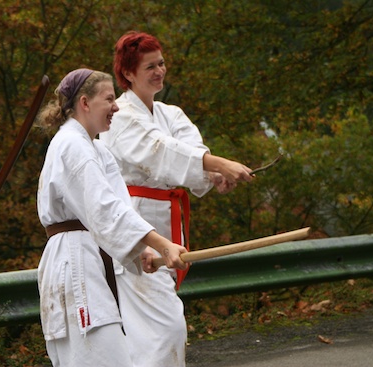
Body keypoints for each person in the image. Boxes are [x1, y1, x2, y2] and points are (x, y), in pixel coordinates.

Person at [99, 31, 254, 367]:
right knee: (165, 328)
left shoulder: (171, 114)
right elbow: (161, 151)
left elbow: (190, 154)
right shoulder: (121, 115)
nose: (160, 71)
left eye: (162, 63)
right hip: (136, 233)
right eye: (150, 66)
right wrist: (218, 164)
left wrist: (215, 177)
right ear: (127, 73)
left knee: (151, 333)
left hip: (169, 229)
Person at [36, 68, 188, 367]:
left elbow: (121, 208)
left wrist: (142, 250)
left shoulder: (96, 149)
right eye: (109, 99)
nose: (116, 106)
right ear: (85, 103)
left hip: (93, 258)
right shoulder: (71, 144)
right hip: (74, 262)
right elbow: (103, 208)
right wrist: (162, 243)